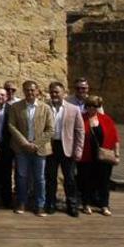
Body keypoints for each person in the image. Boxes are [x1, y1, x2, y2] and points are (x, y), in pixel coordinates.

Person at [7, 81, 55, 216]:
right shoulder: (16, 107)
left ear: (37, 91)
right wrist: (24, 143)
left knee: (40, 178)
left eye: (32, 90)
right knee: (21, 176)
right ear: (23, 91)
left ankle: (40, 205)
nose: (30, 93)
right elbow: (12, 126)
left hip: (40, 149)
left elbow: (50, 129)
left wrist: (36, 144)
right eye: (27, 90)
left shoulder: (45, 108)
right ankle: (21, 202)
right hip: (21, 148)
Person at [45, 82, 84, 216]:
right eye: (52, 92)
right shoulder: (45, 107)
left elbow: (79, 131)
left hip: (67, 146)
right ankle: (50, 203)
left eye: (57, 92)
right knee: (50, 177)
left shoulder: (74, 109)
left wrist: (78, 150)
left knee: (70, 178)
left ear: (64, 93)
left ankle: (72, 205)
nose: (54, 94)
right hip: (50, 146)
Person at [78, 96, 120, 216]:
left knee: (104, 181)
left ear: (98, 107)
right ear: (86, 107)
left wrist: (117, 154)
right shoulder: (81, 118)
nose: (92, 108)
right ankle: (86, 204)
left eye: (95, 106)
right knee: (85, 180)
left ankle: (104, 205)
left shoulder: (106, 119)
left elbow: (115, 138)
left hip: (104, 155)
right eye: (89, 106)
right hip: (86, 155)